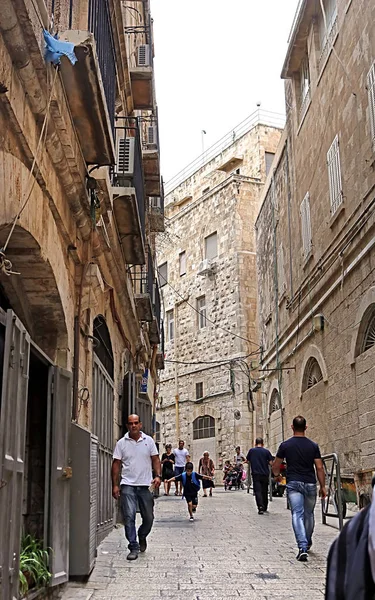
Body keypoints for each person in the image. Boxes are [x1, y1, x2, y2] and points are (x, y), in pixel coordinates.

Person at [273, 415, 327, 562]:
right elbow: (319, 467)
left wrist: (277, 476)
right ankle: (307, 541)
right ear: (306, 427)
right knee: (309, 514)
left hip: (294, 483)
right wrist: (322, 486)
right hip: (310, 483)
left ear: (292, 427)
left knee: (297, 513)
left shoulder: (285, 445)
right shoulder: (313, 446)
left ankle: (302, 546)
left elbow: (276, 465)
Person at [112, 414, 161, 561]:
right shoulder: (121, 443)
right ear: (127, 426)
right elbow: (116, 464)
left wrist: (158, 476)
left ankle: (142, 535)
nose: (133, 426)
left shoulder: (149, 441)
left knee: (149, 517)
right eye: (130, 423)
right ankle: (133, 546)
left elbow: (155, 459)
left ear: (140, 424)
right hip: (128, 485)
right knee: (129, 516)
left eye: (136, 423)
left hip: (146, 485)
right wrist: (115, 485)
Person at [246, 438, 273, 514]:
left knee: (258, 491)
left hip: (256, 474)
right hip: (265, 474)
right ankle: (265, 506)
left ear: (255, 443)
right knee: (264, 490)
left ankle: (260, 507)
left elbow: (248, 460)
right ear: (262, 443)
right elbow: (271, 463)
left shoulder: (252, 451)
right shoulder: (266, 451)